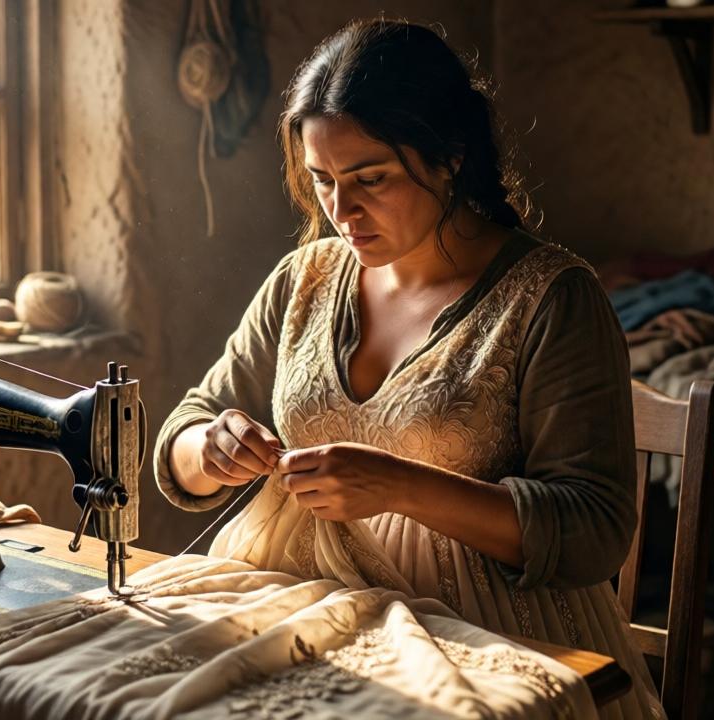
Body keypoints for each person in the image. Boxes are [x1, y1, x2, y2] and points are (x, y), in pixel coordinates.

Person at [154, 18, 663, 719]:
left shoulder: (549, 300)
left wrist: (398, 485)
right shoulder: (303, 281)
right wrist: (209, 450)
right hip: (309, 624)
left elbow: (594, 530)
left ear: (450, 155)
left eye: (371, 178)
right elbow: (183, 436)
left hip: (488, 644)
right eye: (322, 180)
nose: (341, 210)